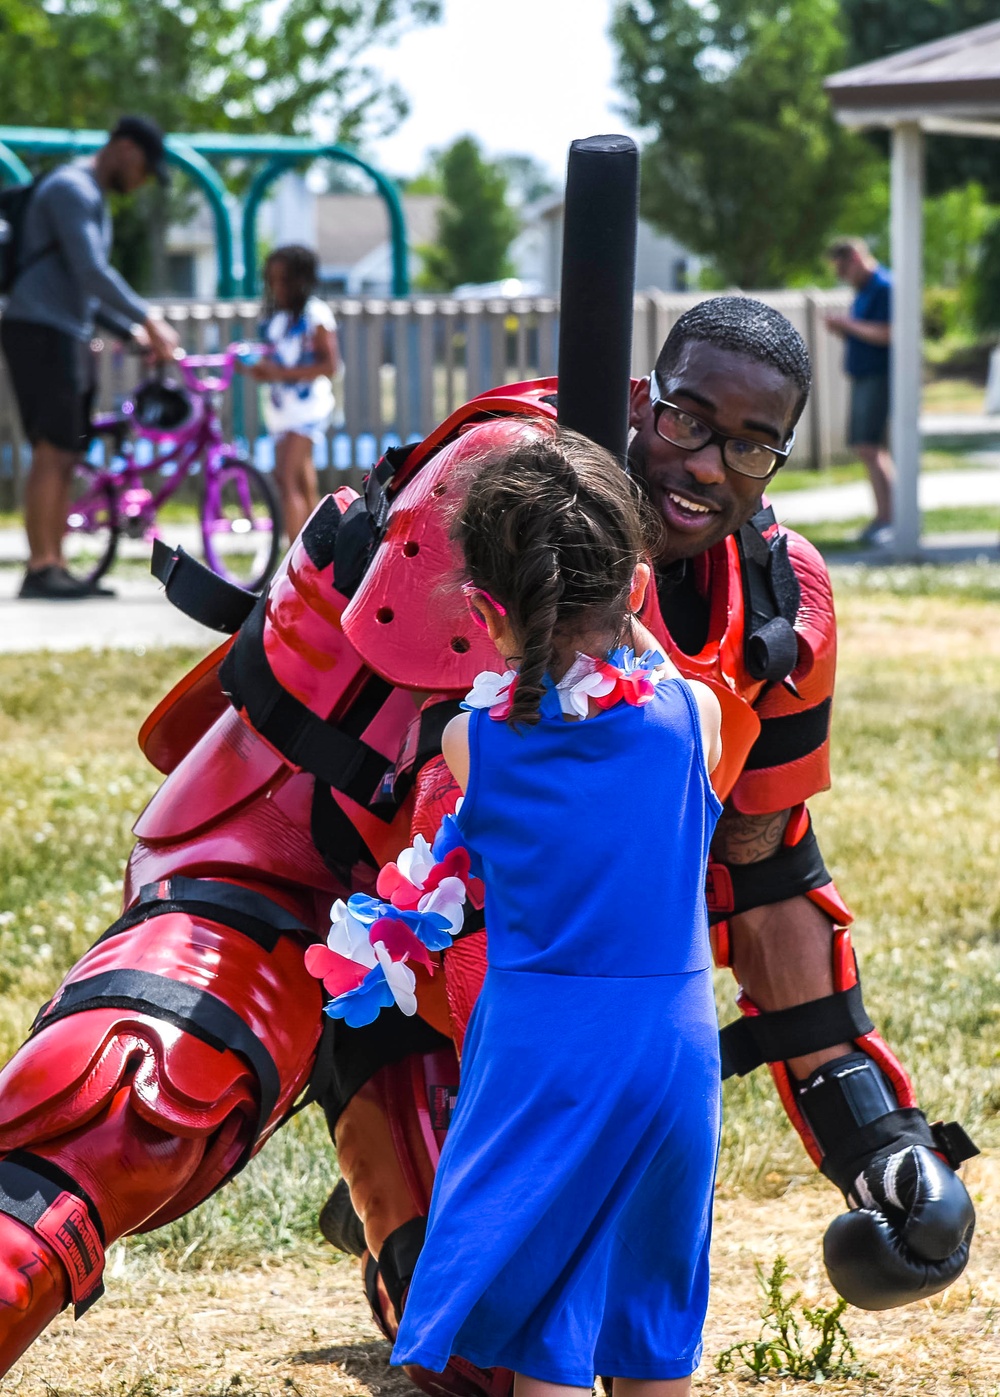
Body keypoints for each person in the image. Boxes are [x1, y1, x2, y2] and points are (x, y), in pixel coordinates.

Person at [0, 297, 976, 1389]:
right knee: (132, 1090)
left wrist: (875, 1133)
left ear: (781, 451)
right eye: (688, 421)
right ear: (642, 400)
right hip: (282, 861)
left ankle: (397, 1153)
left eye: (750, 443)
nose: (705, 464)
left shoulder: (774, 596)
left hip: (505, 981)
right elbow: (444, 822)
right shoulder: (506, 485)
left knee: (477, 1349)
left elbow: (766, 864)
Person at [386, 427, 723, 1396]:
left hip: (544, 1056)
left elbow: (520, 708)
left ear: (492, 611)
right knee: (651, 1316)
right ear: (637, 586)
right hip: (671, 1054)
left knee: (547, 1325)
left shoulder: (471, 746)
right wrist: (632, 614)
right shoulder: (687, 720)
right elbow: (656, 674)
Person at [0, 114, 180, 600]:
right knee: (50, 449)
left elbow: (84, 289)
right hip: (38, 329)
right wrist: (149, 319)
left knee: (66, 450)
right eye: (144, 168)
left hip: (65, 330)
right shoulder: (72, 188)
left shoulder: (90, 195)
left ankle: (54, 565)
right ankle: (40, 567)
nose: (141, 181)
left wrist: (131, 332)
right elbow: (91, 270)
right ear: (125, 148)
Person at [244, 244, 339, 544]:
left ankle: (297, 555)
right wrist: (258, 368)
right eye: (272, 280)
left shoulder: (316, 314)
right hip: (279, 410)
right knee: (301, 481)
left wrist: (277, 373)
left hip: (308, 408)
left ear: (302, 279)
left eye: (284, 280)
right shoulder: (277, 317)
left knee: (284, 478)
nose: (277, 287)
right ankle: (323, 551)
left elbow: (330, 365)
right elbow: (276, 357)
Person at [825, 238, 895, 546]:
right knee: (869, 450)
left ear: (855, 257)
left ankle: (890, 519)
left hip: (879, 377)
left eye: (842, 268)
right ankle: (885, 517)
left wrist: (847, 324)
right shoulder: (865, 291)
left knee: (870, 448)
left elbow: (889, 333)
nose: (841, 276)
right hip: (864, 376)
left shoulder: (884, 287)